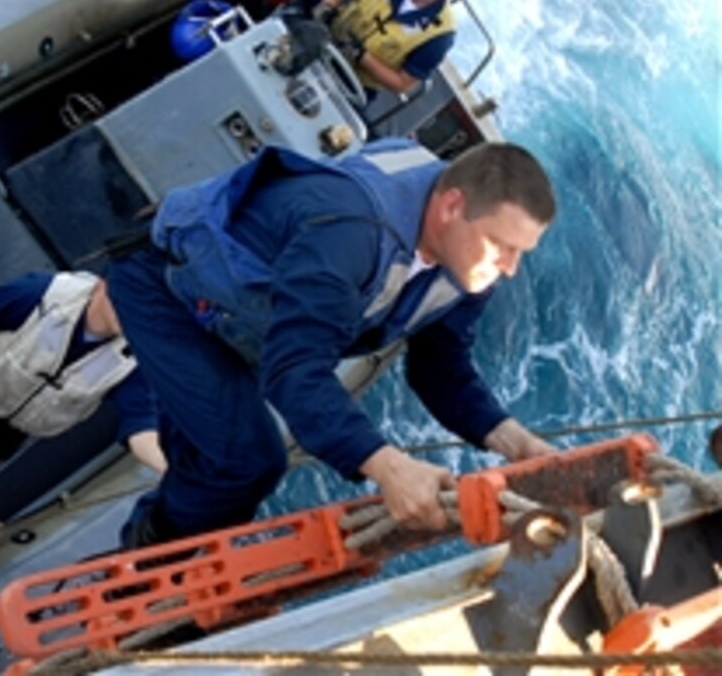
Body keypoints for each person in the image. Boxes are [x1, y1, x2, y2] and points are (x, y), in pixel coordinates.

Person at [107, 137, 558, 548]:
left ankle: (150, 564)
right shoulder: (352, 231)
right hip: (169, 291)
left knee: (211, 464)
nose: (511, 267)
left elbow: (440, 368)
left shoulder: (471, 264)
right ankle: (148, 576)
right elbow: (294, 370)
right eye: (502, 245)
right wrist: (387, 466)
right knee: (245, 459)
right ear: (452, 206)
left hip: (246, 318)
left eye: (520, 251)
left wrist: (516, 443)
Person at [0, 270, 166, 474]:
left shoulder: (132, 361)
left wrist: (168, 470)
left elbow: (140, 423)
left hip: (4, 432)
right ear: (103, 285)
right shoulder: (45, 292)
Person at [314, 0, 464, 97]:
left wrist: (360, 56)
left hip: (353, 84)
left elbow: (402, 84)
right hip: (322, 41)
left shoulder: (441, 36)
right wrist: (327, 5)